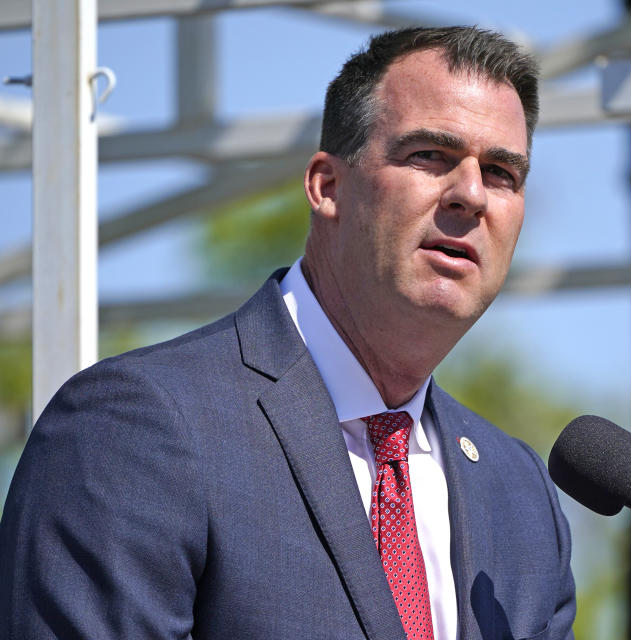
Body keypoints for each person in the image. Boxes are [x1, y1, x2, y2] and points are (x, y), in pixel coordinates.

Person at [0, 26, 576, 640]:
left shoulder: (521, 493)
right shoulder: (135, 428)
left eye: (501, 172)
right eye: (430, 155)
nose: (470, 194)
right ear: (327, 186)